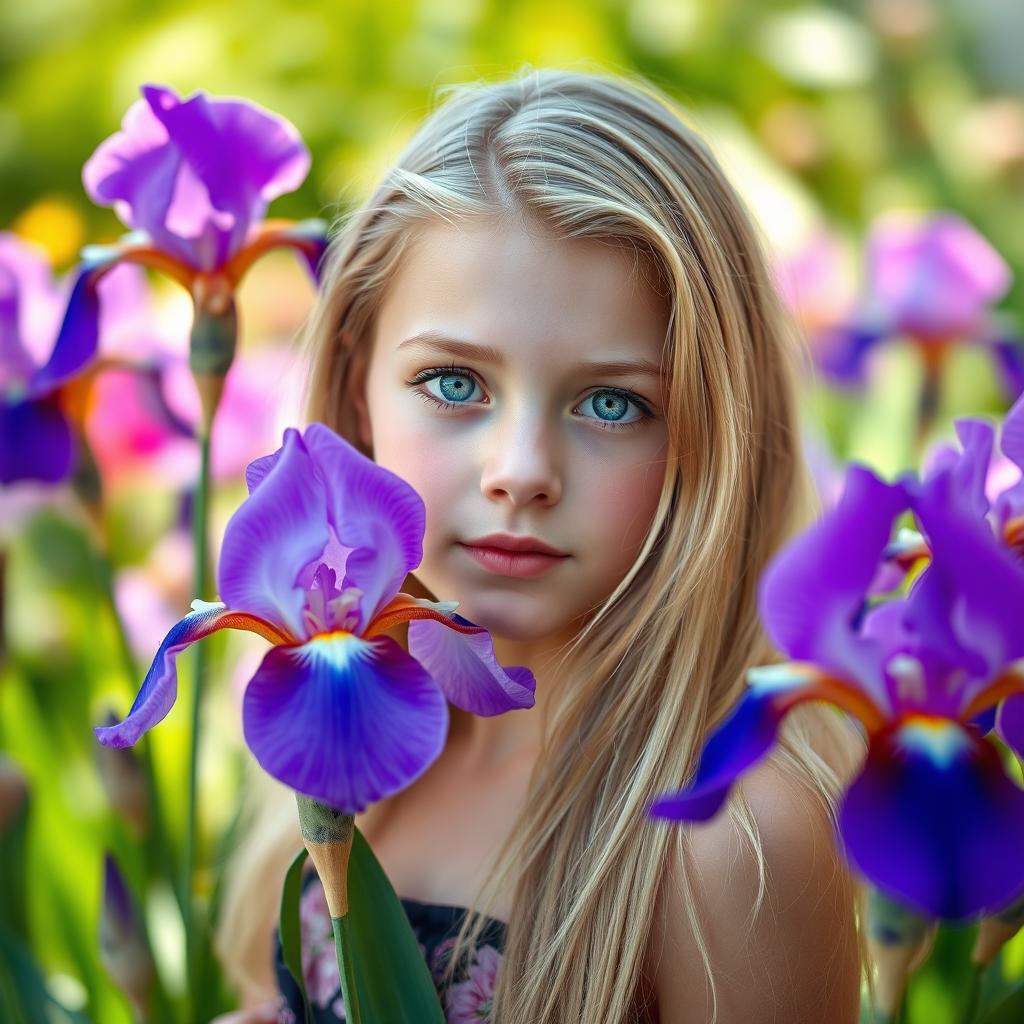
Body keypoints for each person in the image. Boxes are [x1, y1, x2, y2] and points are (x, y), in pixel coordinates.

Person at [213, 65, 865, 1024]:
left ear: (709, 432)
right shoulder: (346, 718)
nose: (520, 471)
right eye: (453, 384)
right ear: (356, 383)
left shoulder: (729, 836)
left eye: (613, 403)